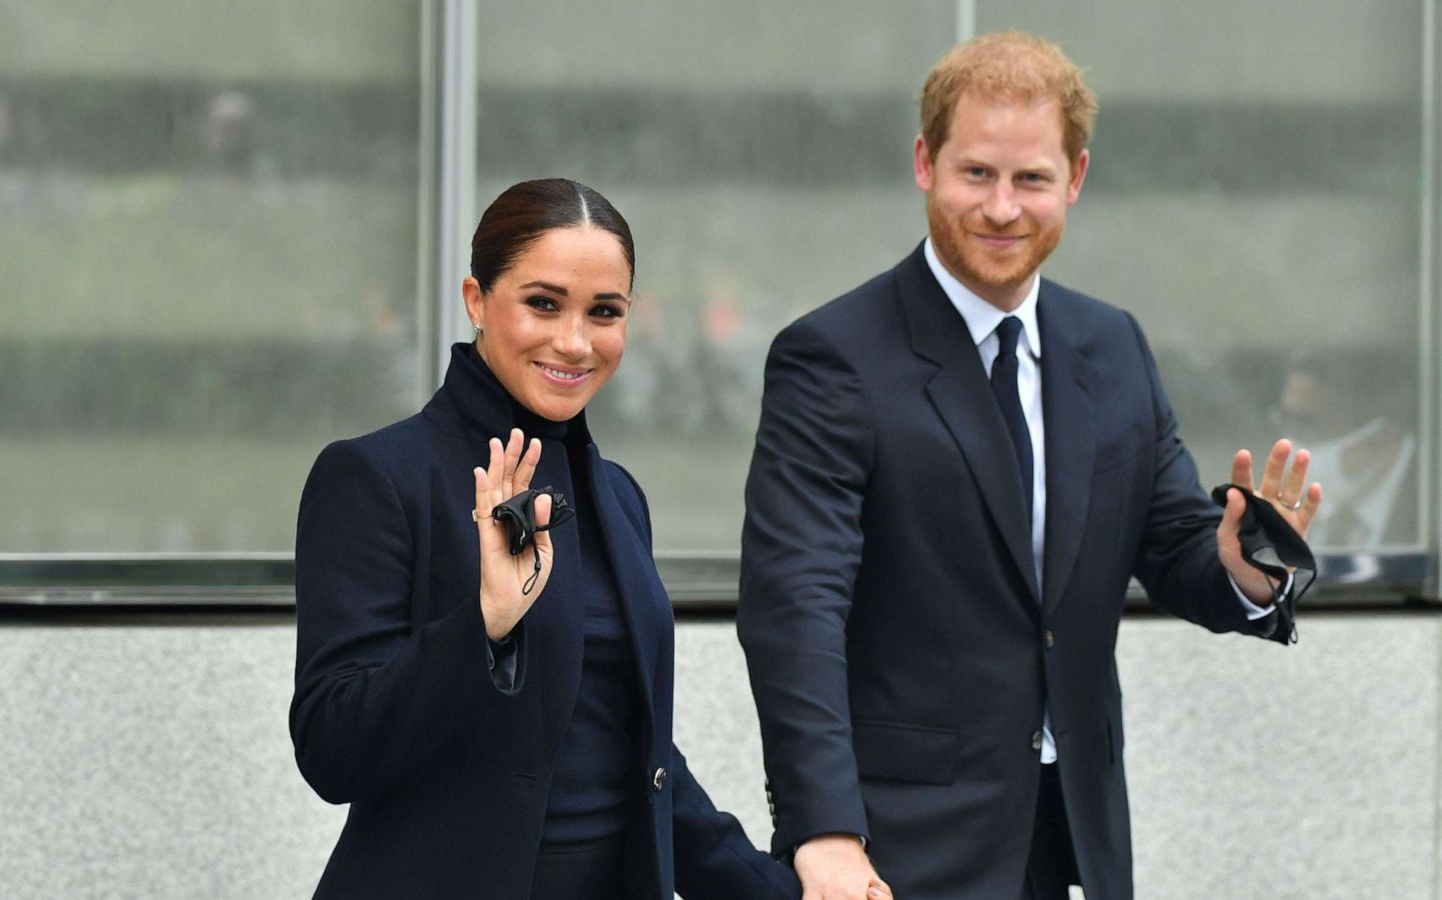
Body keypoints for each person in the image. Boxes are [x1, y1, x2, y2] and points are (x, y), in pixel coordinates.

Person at [736, 32, 1322, 900]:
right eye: (976, 173)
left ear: (1075, 179)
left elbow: (1173, 546)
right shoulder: (833, 358)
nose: (1003, 208)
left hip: (1075, 841)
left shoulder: (1112, 346)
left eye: (1032, 179)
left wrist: (1240, 567)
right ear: (924, 164)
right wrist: (822, 828)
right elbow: (795, 607)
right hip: (900, 849)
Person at [291, 178, 800, 900]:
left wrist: (782, 892)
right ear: (476, 300)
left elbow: (637, 762)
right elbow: (331, 750)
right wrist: (484, 627)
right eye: (543, 303)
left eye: (604, 312)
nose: (574, 340)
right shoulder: (377, 478)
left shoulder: (619, 498)